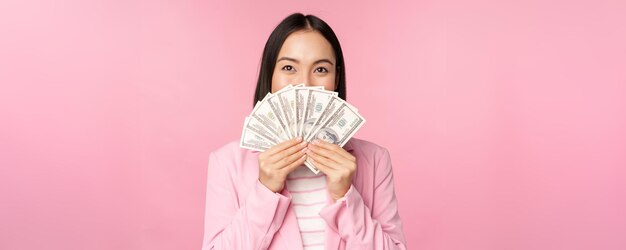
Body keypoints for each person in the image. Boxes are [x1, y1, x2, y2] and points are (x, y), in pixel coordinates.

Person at [202, 13, 407, 250]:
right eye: (289, 67)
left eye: (320, 69)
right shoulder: (226, 163)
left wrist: (345, 197)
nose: (305, 84)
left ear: (336, 77)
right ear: (270, 75)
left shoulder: (374, 161)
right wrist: (265, 191)